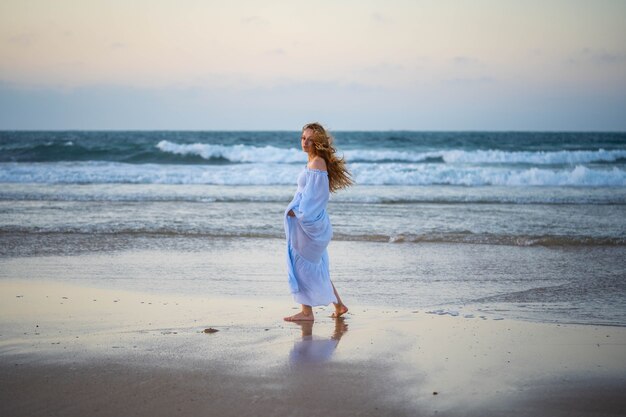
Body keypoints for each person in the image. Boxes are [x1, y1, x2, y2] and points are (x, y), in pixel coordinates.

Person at [283, 122, 353, 322]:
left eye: (310, 140)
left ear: (318, 142)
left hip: (309, 226)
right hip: (311, 225)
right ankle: (339, 306)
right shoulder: (314, 161)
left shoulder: (316, 164)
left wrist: (298, 213)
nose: (305, 142)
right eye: (303, 138)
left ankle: (307, 313)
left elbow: (316, 197)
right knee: (316, 267)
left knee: (301, 266)